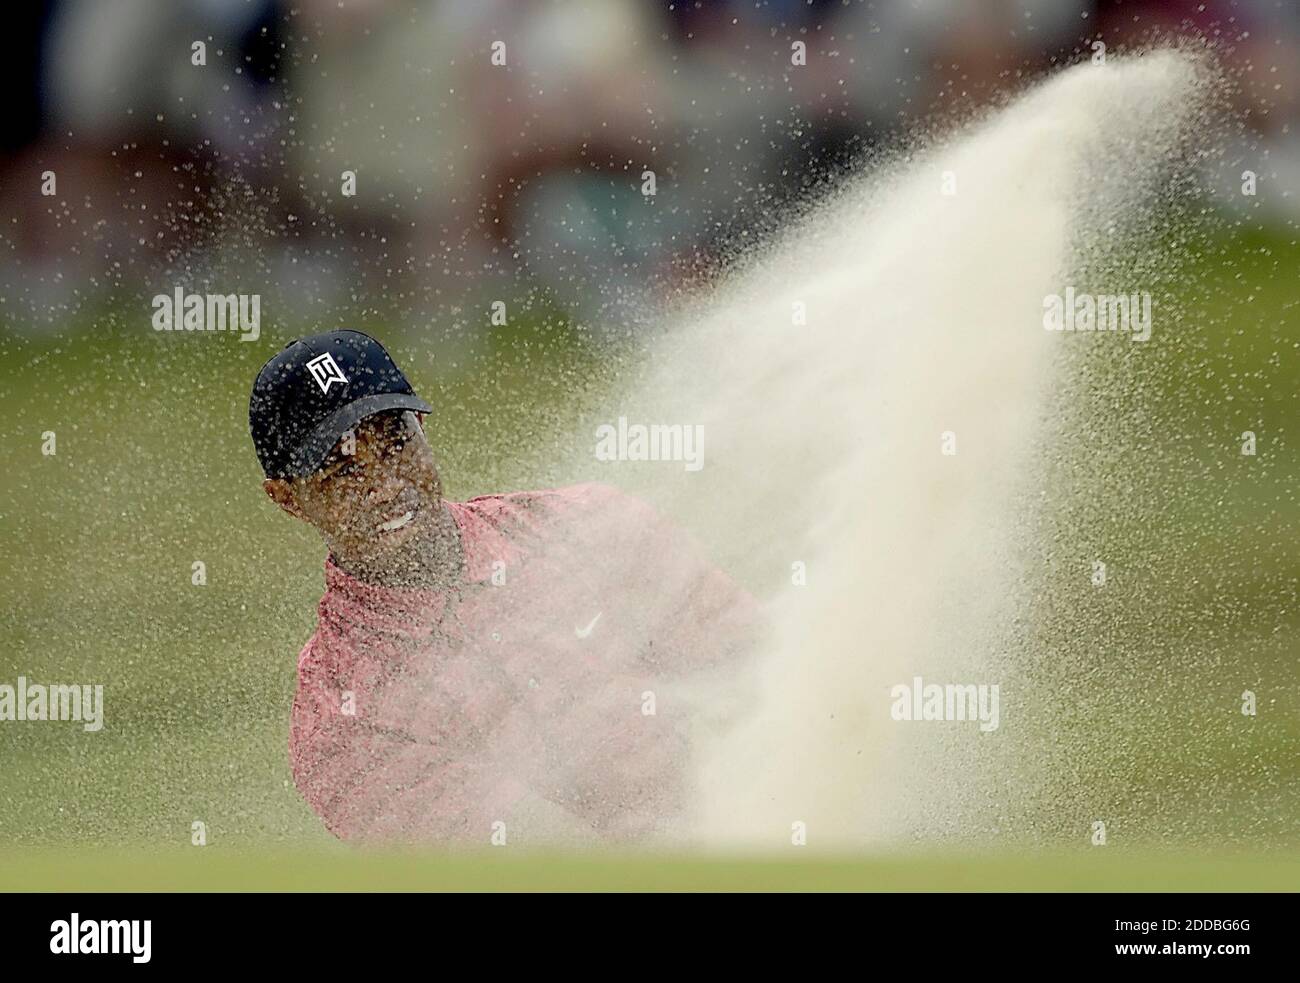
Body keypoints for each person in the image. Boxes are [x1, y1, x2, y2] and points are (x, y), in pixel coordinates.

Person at [249, 329, 758, 844]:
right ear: (287, 497)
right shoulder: (342, 723)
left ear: (422, 427)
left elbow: (760, 671)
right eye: (341, 472)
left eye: (395, 443)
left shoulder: (594, 527)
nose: (384, 484)